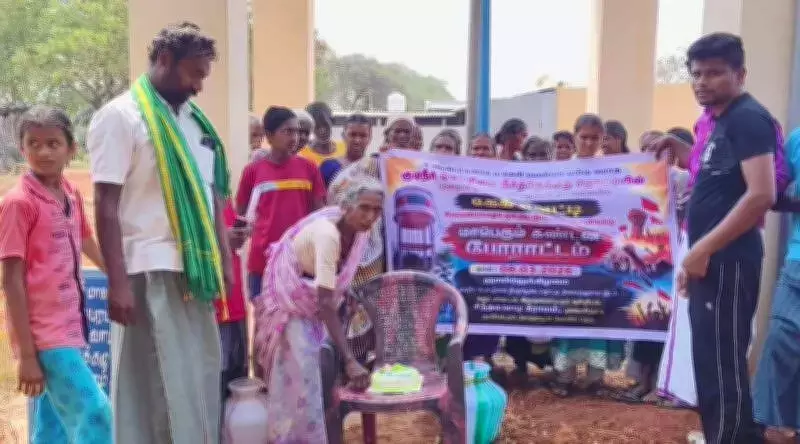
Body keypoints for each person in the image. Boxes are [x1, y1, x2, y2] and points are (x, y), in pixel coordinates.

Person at [87, 22, 233, 443]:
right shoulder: (121, 117)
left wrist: (223, 260)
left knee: (195, 384)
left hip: (193, 273)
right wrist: (117, 283)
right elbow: (106, 204)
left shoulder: (191, 122)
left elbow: (211, 199)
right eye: (195, 74)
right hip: (146, 274)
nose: (199, 86)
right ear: (165, 60)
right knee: (149, 387)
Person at [655, 33, 777, 443]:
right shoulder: (721, 122)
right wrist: (695, 255)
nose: (702, 82)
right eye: (696, 74)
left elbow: (761, 194)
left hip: (729, 259)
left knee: (721, 363)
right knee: (711, 361)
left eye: (714, 73)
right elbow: (719, 187)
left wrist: (703, 249)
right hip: (712, 260)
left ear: (739, 74)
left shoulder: (748, 119)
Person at [1, 106, 112, 443]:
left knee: (53, 428)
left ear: (71, 148)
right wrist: (28, 356)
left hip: (71, 326)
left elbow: (86, 239)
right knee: (96, 412)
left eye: (53, 143)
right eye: (33, 144)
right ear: (22, 149)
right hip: (45, 336)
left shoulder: (70, 194)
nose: (43, 152)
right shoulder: (18, 204)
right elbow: (11, 281)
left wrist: (120, 279)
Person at [253, 179, 383, 442]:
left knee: (312, 386)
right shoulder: (328, 235)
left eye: (376, 210)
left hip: (312, 307)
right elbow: (324, 303)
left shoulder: (357, 232)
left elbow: (333, 285)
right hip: (293, 308)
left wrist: (344, 295)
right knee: (298, 388)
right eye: (364, 208)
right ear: (346, 207)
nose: (370, 217)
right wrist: (350, 360)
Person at [551, 113, 624, 397]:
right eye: (584, 137)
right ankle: (565, 375)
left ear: (602, 139)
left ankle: (596, 377)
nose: (589, 143)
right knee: (569, 308)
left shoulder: (613, 170)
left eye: (595, 138)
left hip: (602, 253)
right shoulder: (559, 171)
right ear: (575, 137)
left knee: (600, 309)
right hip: (568, 251)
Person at [237, 106, 326, 302]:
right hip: (262, 262)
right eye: (287, 131)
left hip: (300, 260)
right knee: (265, 323)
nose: (294, 137)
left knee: (298, 325)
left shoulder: (309, 169)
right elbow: (241, 215)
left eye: (297, 131)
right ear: (269, 136)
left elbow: (319, 215)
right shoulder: (253, 171)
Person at [753, 127, 800, 443]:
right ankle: (773, 428)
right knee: (780, 344)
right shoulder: (797, 140)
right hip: (798, 261)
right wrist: (793, 194)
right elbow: (773, 195)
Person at [216, 199, 250, 402]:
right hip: (212, 305)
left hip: (234, 300)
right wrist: (221, 237)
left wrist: (238, 237)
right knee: (216, 378)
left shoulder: (226, 200)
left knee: (237, 376)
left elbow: (232, 244)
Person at [319, 113, 372, 186]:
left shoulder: (376, 168)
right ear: (343, 136)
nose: (357, 140)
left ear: (370, 138)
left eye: (363, 136)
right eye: (352, 135)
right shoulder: (328, 167)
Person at [298, 101, 345, 165]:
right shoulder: (302, 155)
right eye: (317, 126)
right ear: (310, 127)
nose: (322, 131)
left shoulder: (345, 149)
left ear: (332, 121)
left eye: (325, 125)